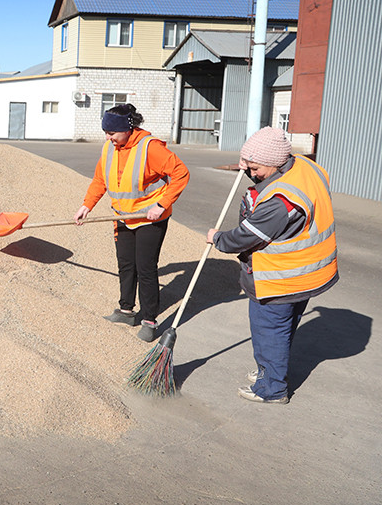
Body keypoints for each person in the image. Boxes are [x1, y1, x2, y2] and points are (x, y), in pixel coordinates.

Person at [207, 127, 338, 404]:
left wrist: (217, 239)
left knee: (270, 334)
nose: (251, 174)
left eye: (255, 168)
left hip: (280, 279)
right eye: (249, 166)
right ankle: (271, 373)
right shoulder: (306, 166)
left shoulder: (280, 202)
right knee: (284, 329)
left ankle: (272, 389)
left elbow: (244, 238)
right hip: (307, 275)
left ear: (276, 162)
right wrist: (249, 164)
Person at [74, 104, 190, 342]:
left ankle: (149, 319)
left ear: (127, 129)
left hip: (150, 218)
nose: (108, 138)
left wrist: (161, 205)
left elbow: (181, 173)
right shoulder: (109, 148)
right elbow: (100, 179)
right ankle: (126, 310)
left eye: (112, 133)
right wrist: (87, 205)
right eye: (106, 132)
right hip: (122, 217)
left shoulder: (151, 148)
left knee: (145, 268)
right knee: (126, 265)